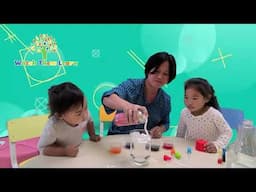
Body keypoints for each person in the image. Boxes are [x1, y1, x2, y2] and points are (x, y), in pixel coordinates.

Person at [102, 51, 176, 138]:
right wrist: (128, 106)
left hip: (143, 142)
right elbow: (107, 98)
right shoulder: (132, 86)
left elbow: (165, 123)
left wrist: (160, 129)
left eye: (165, 74)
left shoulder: (165, 100)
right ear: (148, 70)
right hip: (118, 139)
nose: (160, 77)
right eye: (156, 71)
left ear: (169, 78)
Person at [38, 82, 100, 157]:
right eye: (78, 113)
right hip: (60, 158)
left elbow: (89, 121)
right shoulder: (53, 126)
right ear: (60, 115)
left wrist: (92, 134)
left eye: (86, 107)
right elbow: (43, 149)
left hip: (78, 150)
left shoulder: (84, 113)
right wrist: (64, 151)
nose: (85, 115)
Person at [176, 77, 232, 153]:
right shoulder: (184, 113)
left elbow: (227, 132)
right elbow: (180, 135)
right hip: (191, 151)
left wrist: (217, 145)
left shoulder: (214, 114)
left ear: (207, 98)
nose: (189, 102)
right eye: (186, 97)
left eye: (194, 98)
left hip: (208, 153)